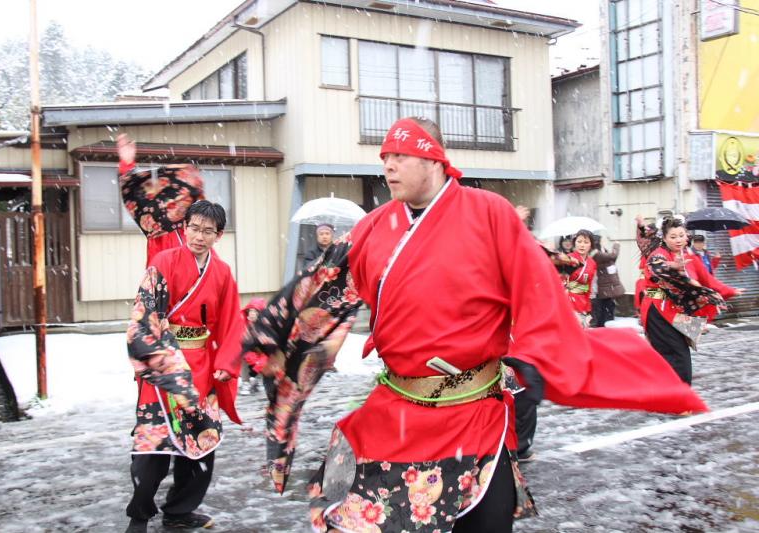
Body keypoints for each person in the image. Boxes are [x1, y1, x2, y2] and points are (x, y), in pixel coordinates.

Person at [243, 117, 707, 533]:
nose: (388, 166)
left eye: (400, 155)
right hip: (399, 405)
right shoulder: (373, 227)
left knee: (486, 518)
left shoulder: (488, 213)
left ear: (434, 159)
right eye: (384, 157)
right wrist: (269, 335)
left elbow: (535, 286)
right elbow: (317, 287)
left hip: (474, 409)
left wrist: (535, 353)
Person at [124, 201, 244, 533]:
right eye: (194, 228)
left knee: (200, 446)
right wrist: (160, 360)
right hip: (164, 366)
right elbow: (145, 316)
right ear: (185, 227)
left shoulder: (221, 273)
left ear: (218, 236)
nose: (199, 236)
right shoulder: (163, 262)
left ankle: (180, 510)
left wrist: (225, 363)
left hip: (202, 368)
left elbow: (232, 323)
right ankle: (139, 516)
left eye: (208, 231)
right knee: (153, 447)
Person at [640, 216, 743, 384]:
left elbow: (708, 280)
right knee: (674, 353)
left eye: (681, 235)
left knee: (678, 353)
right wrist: (672, 267)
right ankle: (675, 395)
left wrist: (730, 291)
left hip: (678, 310)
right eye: (673, 237)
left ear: (687, 235)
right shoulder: (659, 255)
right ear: (664, 238)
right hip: (658, 310)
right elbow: (657, 267)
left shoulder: (689, 257)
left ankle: (670, 393)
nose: (678, 240)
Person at [117, 133, 204, 266]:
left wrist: (127, 166)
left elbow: (132, 191)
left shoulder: (191, 233)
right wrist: (127, 166)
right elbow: (133, 191)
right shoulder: (162, 229)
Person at [564, 230, 597, 327]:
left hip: (582, 301)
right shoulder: (567, 259)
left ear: (591, 245)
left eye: (586, 242)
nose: (582, 245)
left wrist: (588, 309)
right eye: (579, 242)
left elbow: (589, 287)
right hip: (567, 300)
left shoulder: (592, 263)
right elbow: (560, 281)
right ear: (574, 243)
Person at [590, 238, 625, 327]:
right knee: (603, 312)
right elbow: (613, 256)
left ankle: (605, 327)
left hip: (605, 287)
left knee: (607, 309)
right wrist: (616, 245)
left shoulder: (601, 251)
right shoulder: (596, 254)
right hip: (600, 288)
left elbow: (611, 259)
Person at [239, 298, 266, 395]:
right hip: (246, 349)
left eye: (255, 311)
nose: (252, 313)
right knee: (243, 355)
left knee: (266, 357)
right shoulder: (243, 323)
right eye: (250, 311)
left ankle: (257, 380)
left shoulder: (265, 324)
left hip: (260, 349)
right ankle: (246, 382)